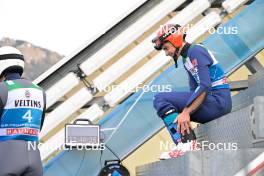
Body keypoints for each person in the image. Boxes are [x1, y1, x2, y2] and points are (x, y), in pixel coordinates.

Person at [152, 24, 232, 159]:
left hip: (218, 102)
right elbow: (193, 90)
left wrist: (186, 111)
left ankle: (187, 143)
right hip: (212, 103)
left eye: (166, 48)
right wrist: (183, 112)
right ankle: (184, 143)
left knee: (161, 98)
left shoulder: (195, 51)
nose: (166, 53)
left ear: (176, 40)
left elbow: (205, 85)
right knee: (166, 104)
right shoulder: (186, 58)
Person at [0, 46, 46, 175]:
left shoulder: (2, 88)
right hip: (34, 156)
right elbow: (39, 125)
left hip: (6, 156)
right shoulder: (39, 90)